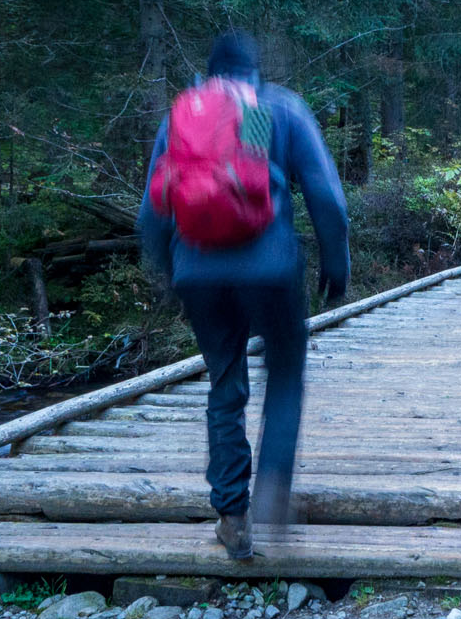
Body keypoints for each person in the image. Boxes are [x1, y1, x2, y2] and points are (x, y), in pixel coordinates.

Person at [137, 31, 349, 557]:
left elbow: (151, 212)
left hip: (199, 272)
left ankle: (232, 515)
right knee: (283, 377)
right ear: (254, 70)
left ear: (209, 75)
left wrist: (173, 270)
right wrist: (336, 264)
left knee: (224, 386)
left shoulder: (181, 117)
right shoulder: (275, 108)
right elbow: (324, 194)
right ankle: (273, 487)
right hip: (269, 267)